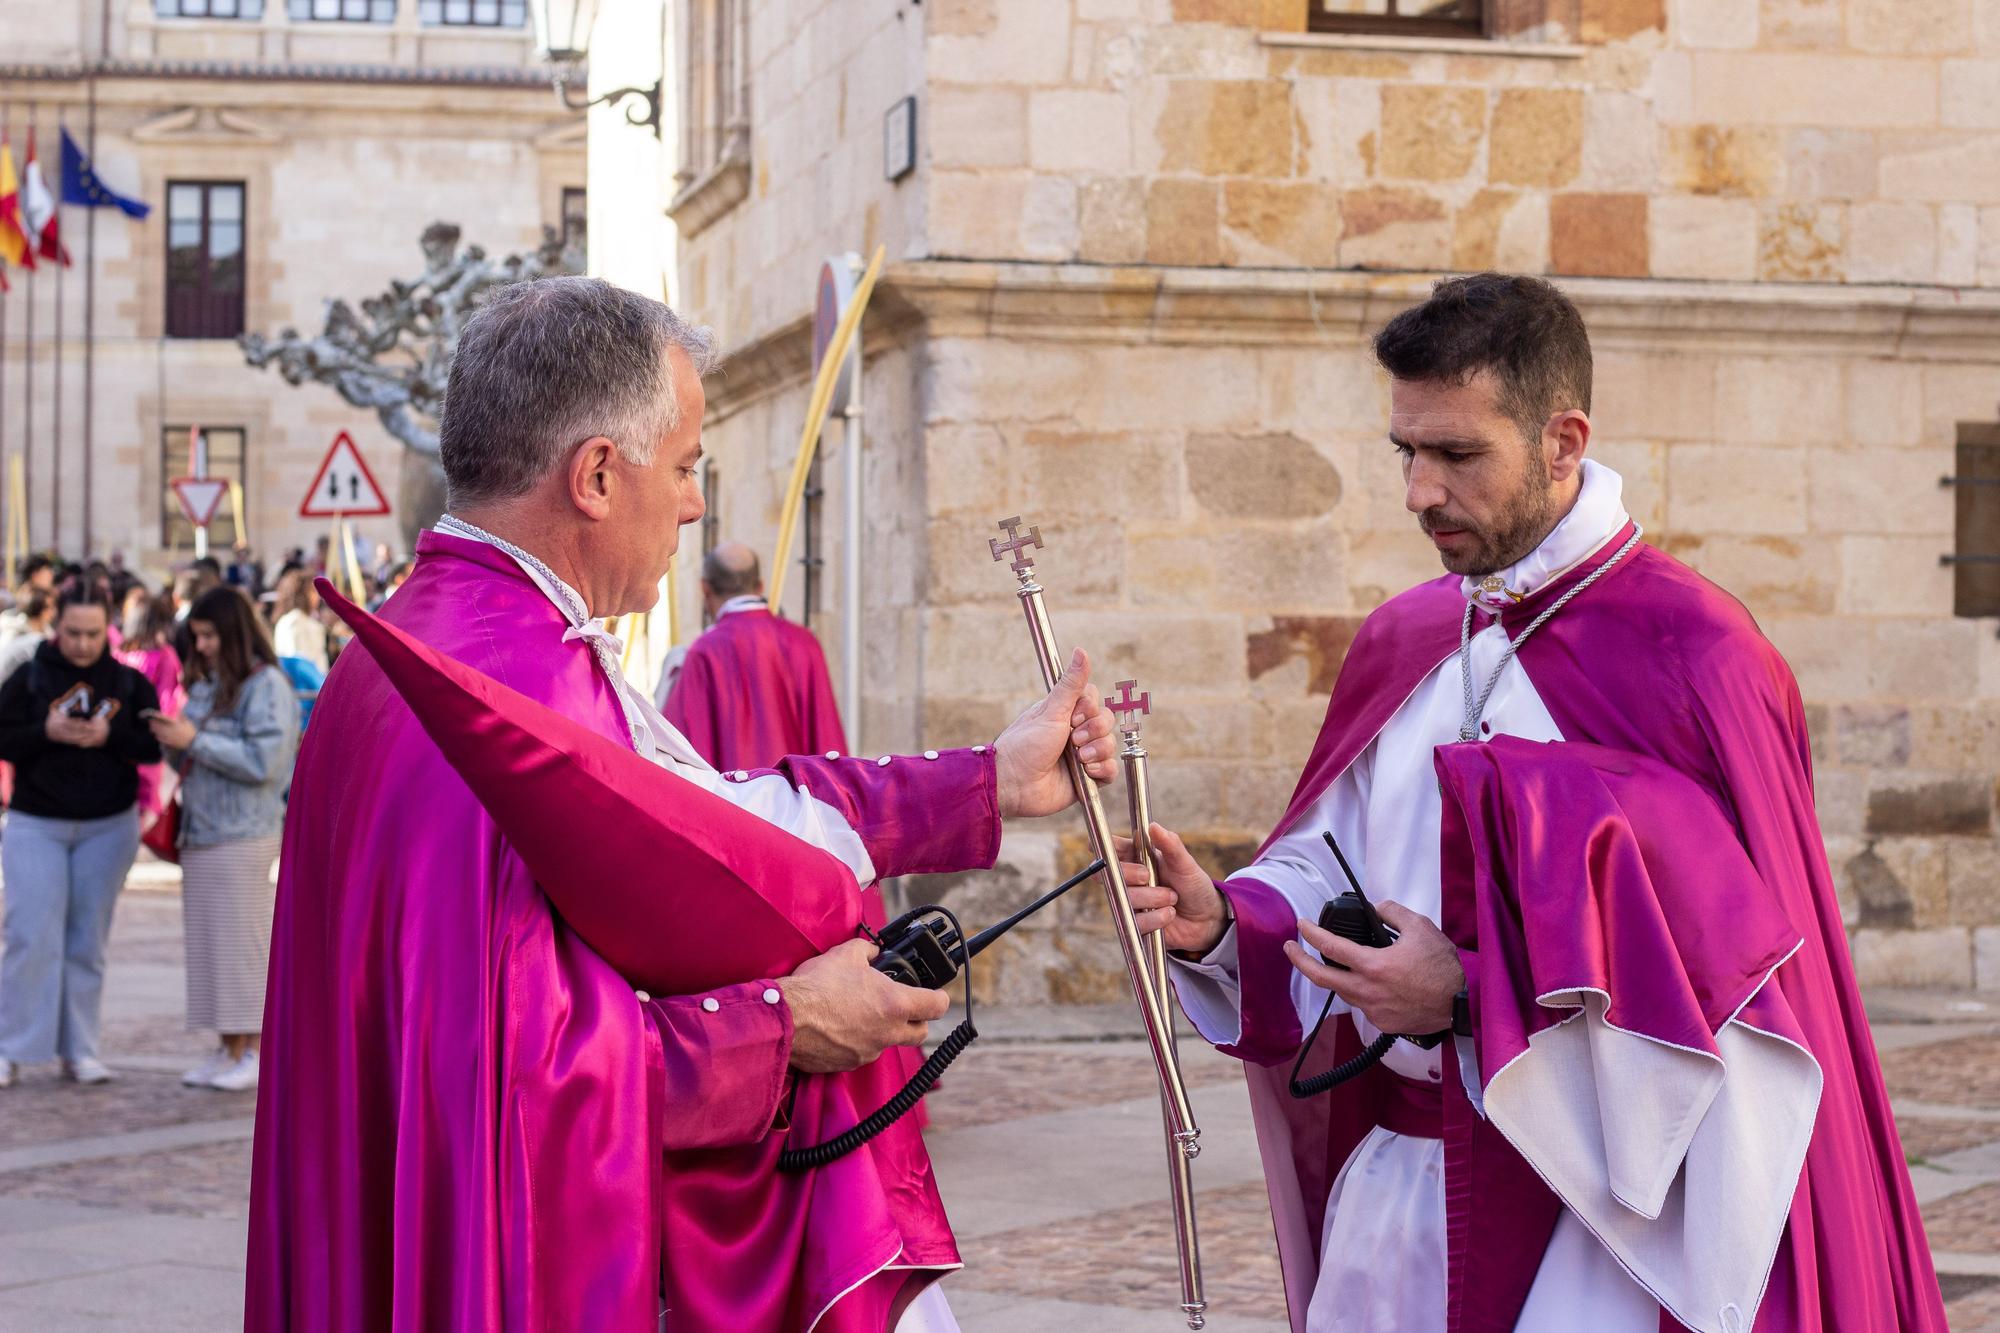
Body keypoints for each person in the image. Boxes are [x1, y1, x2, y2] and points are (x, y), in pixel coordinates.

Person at [247, 276, 1118, 1333]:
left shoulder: (452, 643)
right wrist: (784, 1023)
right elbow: (526, 1080)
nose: (698, 502)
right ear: (599, 476)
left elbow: (718, 821)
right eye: (689, 465)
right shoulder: (510, 687)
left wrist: (988, 781)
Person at [1124, 274, 1945, 1333]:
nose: (1418, 492)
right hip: (1400, 1203)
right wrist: (1228, 923)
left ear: (1561, 441)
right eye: (1404, 452)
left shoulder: (1696, 655)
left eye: (1456, 455)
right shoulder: (1404, 638)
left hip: (1602, 1222)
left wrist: (1468, 994)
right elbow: (1333, 869)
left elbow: (1740, 993)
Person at [0, 582, 163, 1087]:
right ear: (56, 626)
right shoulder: (27, 676)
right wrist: (43, 733)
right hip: (36, 820)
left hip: (107, 825)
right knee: (30, 934)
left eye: (93, 633)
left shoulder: (128, 680)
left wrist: (110, 735)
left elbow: (153, 747)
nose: (83, 644)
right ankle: (11, 1047)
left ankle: (81, 1050)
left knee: (87, 940)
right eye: (73, 632)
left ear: (108, 629)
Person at [147, 587, 300, 1094]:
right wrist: (174, 740)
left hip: (243, 832)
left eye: (210, 635)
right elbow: (192, 756)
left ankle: (254, 1048)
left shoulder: (267, 686)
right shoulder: (210, 685)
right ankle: (227, 1044)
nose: (204, 646)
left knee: (243, 947)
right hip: (203, 829)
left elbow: (266, 763)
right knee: (212, 948)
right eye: (198, 636)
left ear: (233, 633)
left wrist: (196, 741)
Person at [662, 543, 846, 771]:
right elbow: (826, 735)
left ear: (705, 589)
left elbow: (683, 751)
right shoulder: (804, 642)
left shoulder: (704, 652)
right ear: (760, 586)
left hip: (734, 802)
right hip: (800, 800)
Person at [114, 589, 186, 829]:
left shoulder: (118, 655)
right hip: (149, 742)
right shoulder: (165, 656)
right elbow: (169, 701)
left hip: (117, 741)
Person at [269, 570, 329, 675]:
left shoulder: (301, 620)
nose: (318, 597)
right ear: (301, 593)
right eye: (313, 591)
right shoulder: (295, 622)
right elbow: (299, 662)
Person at [0, 588, 54, 683]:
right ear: (39, 609)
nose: (53, 612)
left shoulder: (48, 631)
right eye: (49, 607)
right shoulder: (14, 633)